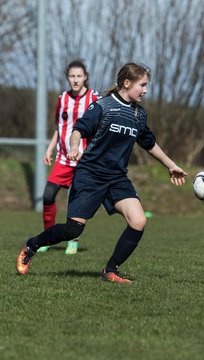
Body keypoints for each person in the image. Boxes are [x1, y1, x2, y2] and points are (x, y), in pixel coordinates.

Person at [16, 62, 187, 283]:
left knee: (138, 220)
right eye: (142, 85)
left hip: (116, 178)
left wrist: (170, 165)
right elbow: (79, 129)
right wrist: (76, 147)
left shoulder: (139, 114)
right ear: (127, 83)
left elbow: (149, 143)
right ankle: (32, 244)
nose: (145, 90)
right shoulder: (103, 107)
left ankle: (110, 270)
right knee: (73, 230)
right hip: (90, 174)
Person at [38, 60, 99, 255]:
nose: (75, 80)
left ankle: (73, 239)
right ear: (68, 77)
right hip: (63, 159)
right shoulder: (62, 98)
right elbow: (58, 127)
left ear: (85, 77)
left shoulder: (94, 98)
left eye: (79, 76)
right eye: (72, 76)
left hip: (84, 160)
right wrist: (49, 149)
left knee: (75, 202)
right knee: (48, 196)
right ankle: (47, 237)